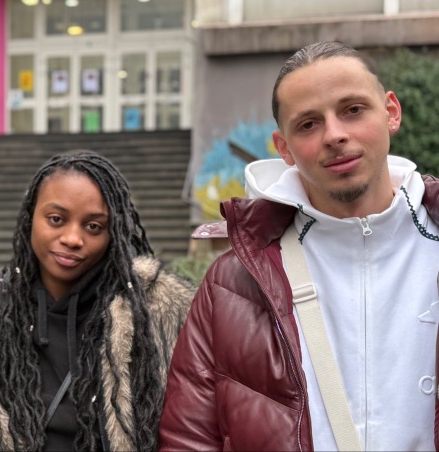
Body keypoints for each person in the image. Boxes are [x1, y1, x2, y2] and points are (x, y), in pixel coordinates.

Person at [159, 41, 439, 450]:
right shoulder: (232, 283)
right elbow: (190, 439)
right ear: (284, 148)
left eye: (353, 110)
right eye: (308, 124)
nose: (335, 135)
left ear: (390, 112)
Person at [0, 150, 194, 451]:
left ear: (113, 233)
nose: (72, 238)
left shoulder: (157, 308)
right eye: (56, 219)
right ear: (30, 217)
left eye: (93, 226)